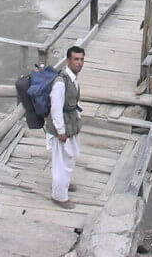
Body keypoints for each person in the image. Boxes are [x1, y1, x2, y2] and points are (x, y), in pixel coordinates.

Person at [46, 45, 84, 209]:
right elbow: (55, 109)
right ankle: (59, 196)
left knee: (69, 157)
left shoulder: (73, 79)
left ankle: (63, 184)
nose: (79, 63)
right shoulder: (61, 82)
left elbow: (73, 103)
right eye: (76, 59)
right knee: (61, 161)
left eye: (82, 59)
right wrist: (60, 131)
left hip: (70, 123)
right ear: (68, 61)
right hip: (61, 127)